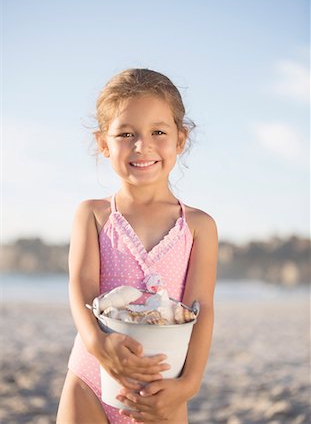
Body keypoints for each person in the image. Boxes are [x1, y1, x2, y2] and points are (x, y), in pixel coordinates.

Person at [57, 68, 218, 424]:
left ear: (180, 139)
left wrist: (188, 386)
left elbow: (201, 308)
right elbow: (80, 287)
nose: (141, 146)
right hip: (91, 379)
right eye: (125, 134)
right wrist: (99, 346)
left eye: (158, 132)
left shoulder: (198, 226)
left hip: (164, 390)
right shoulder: (93, 215)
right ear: (103, 143)